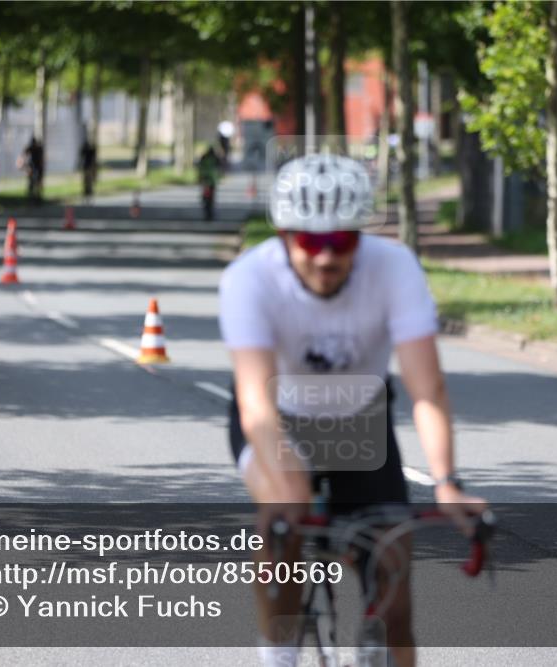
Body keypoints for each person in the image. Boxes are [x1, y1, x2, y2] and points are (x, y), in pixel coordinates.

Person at [219, 154, 487, 667]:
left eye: (341, 240)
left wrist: (447, 483)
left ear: (361, 237)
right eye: (310, 241)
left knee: (396, 602)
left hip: (360, 422)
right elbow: (255, 403)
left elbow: (427, 390)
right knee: (283, 517)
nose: (326, 257)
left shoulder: (394, 268)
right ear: (283, 235)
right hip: (277, 418)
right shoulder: (249, 279)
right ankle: (278, 655)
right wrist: (290, 484)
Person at [197, 146, 222, 221]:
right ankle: (210, 214)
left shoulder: (204, 157)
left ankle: (207, 213)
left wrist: (199, 177)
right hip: (211, 181)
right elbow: (219, 168)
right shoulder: (215, 158)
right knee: (211, 199)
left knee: (205, 198)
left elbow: (200, 167)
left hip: (205, 180)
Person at [17, 136, 44, 203]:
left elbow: (41, 159)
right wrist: (21, 164)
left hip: (37, 168)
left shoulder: (39, 149)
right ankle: (31, 197)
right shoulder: (30, 148)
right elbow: (23, 155)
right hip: (32, 167)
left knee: (37, 183)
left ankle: (37, 197)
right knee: (32, 183)